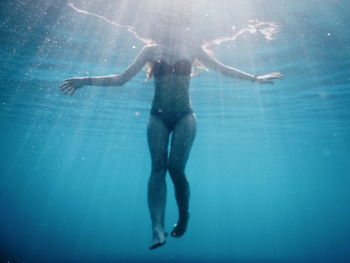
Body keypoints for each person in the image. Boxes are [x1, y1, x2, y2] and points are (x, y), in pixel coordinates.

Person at [60, 12, 282, 250]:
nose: (172, 28)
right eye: (167, 23)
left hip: (185, 115)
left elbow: (223, 69)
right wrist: (85, 80)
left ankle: (184, 216)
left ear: (184, 27)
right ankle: (157, 228)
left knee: (176, 170)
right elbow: (121, 79)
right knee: (157, 169)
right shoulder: (149, 51)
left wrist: (256, 78)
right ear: (161, 26)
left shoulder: (193, 49)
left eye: (177, 24)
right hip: (157, 116)